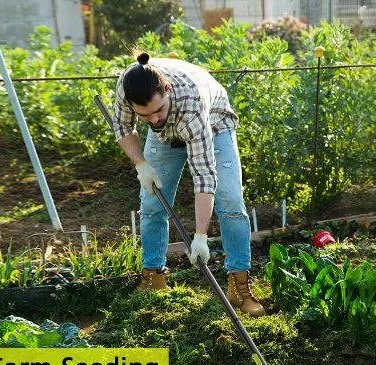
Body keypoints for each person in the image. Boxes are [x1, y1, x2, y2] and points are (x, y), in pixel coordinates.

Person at [112, 52, 265, 316]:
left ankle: (238, 285)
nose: (154, 120)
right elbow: (122, 126)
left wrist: (201, 238)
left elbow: (204, 175)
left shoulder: (191, 104)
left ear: (167, 90)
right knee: (152, 201)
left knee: (230, 201)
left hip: (214, 126)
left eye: (158, 110)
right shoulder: (128, 87)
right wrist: (141, 164)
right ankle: (153, 278)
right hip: (167, 138)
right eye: (145, 115)